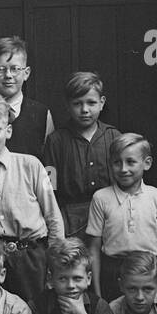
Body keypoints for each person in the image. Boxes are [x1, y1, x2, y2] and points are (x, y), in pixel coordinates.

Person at [0, 91, 64, 313]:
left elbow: (53, 217)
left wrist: (55, 265)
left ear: (8, 131)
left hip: (31, 258)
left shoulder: (31, 166)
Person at [87, 132, 157, 301]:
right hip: (112, 273)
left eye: (131, 162)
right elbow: (94, 249)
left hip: (147, 272)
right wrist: (97, 295)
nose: (123, 169)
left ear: (147, 163)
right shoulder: (101, 198)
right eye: (116, 163)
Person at [40, 70, 121, 236]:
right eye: (77, 103)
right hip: (70, 221)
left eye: (91, 103)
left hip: (110, 217)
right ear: (68, 105)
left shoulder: (114, 137)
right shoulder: (55, 141)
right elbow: (49, 187)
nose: (84, 109)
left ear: (102, 102)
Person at [0, 36, 54, 160]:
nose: (8, 75)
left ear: (26, 73)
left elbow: (50, 162)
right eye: (0, 69)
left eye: (15, 69)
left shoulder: (42, 114)